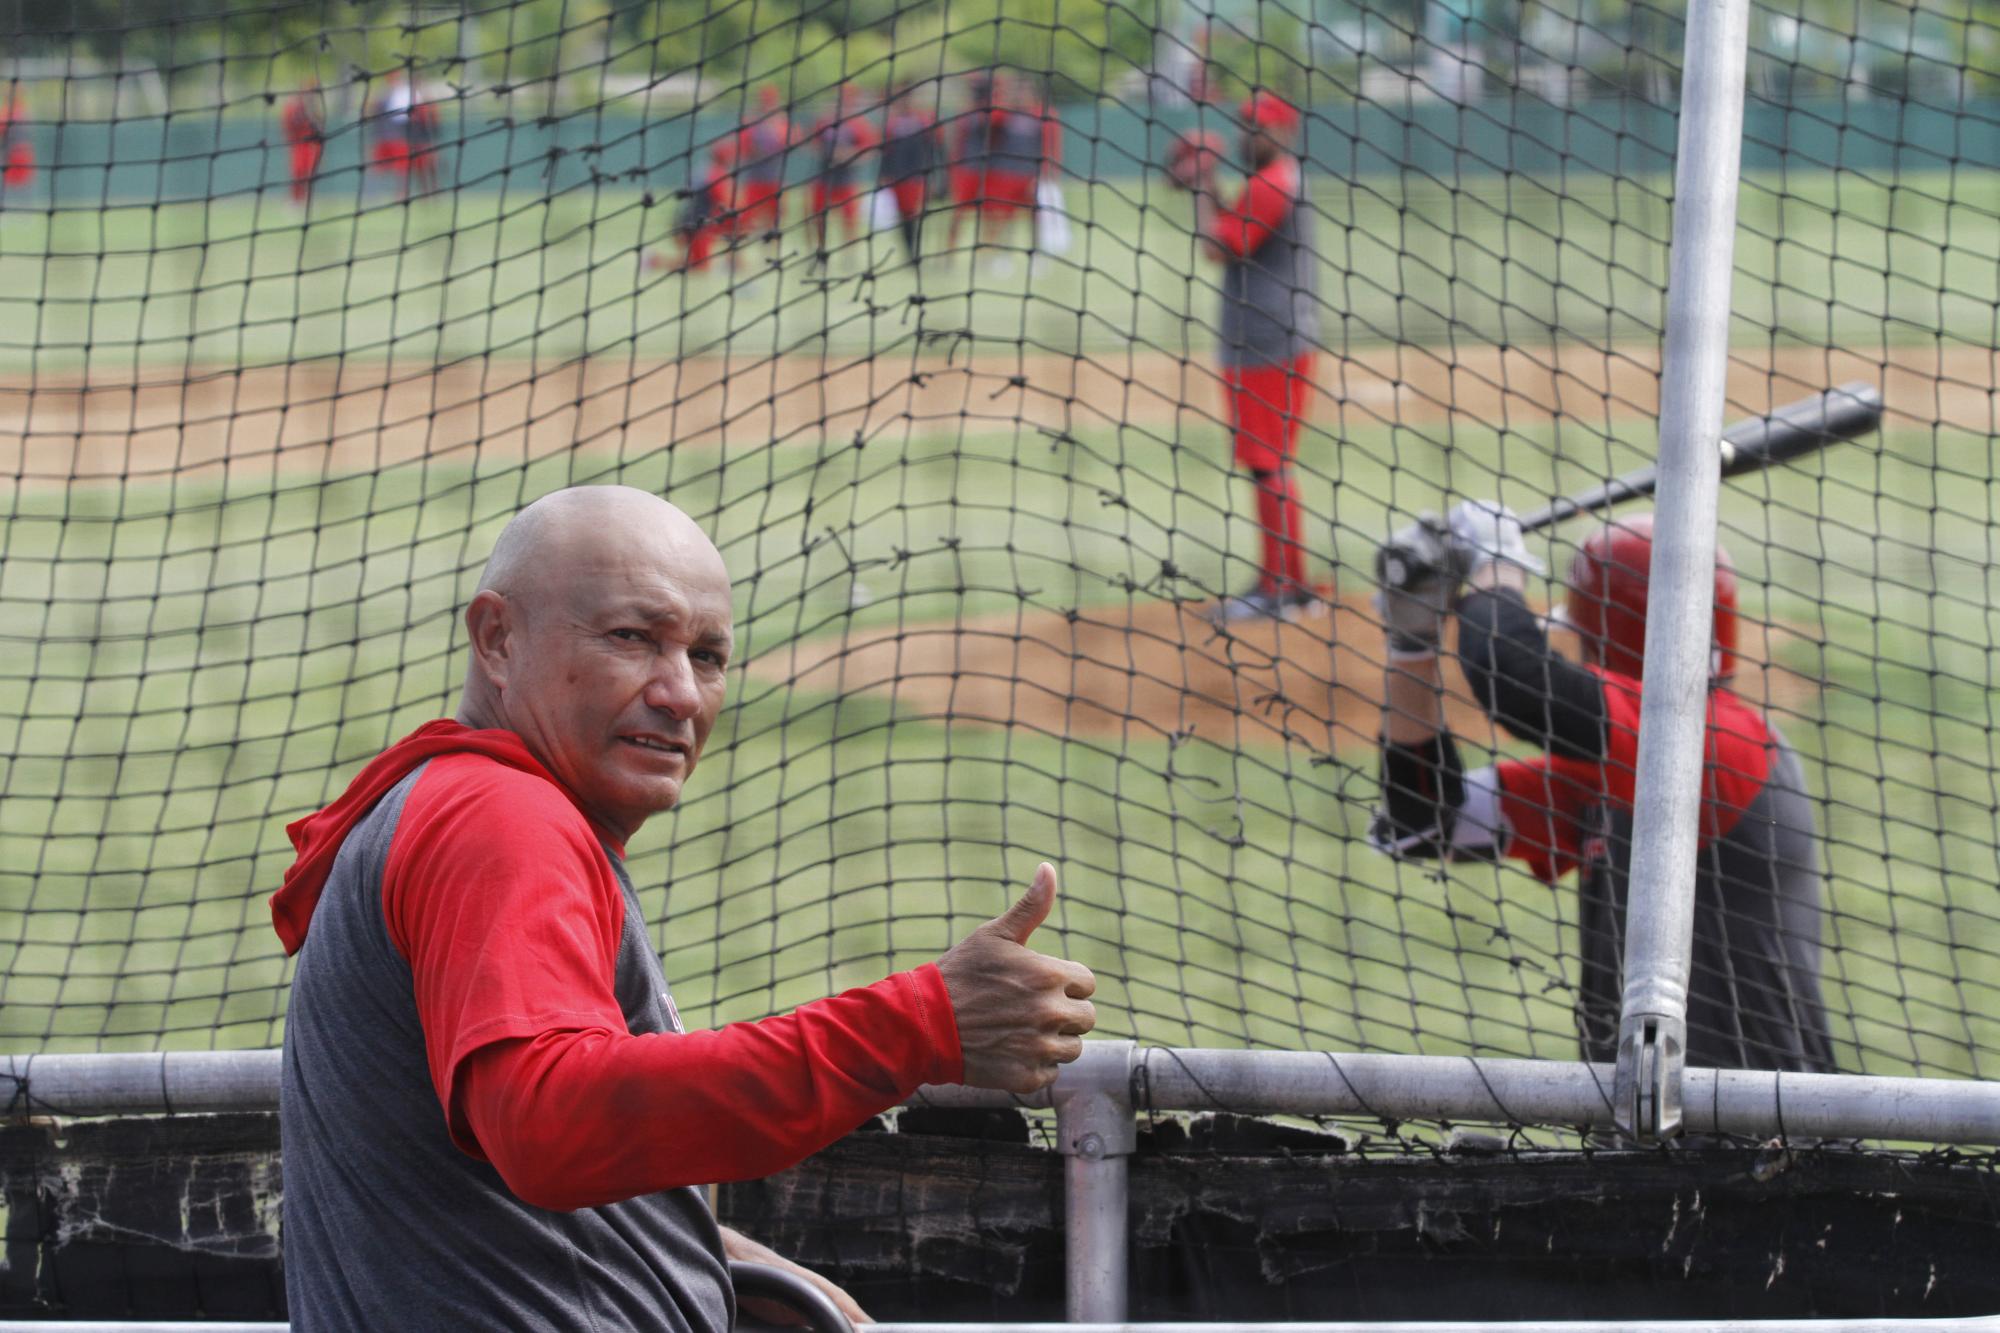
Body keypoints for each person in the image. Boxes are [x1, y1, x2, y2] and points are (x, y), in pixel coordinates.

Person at [275, 485, 1097, 1331]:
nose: (680, 694)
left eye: (707, 656)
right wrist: (919, 1021)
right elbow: (545, 1122)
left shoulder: (461, 802)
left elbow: (458, 1165)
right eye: (633, 638)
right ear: (497, 638)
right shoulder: (499, 818)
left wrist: (696, 1246)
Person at [1367, 501, 1836, 1075]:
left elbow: (1517, 684)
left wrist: (1496, 565)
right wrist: (1411, 649)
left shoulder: (1716, 746)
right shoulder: (1620, 775)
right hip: (1643, 1138)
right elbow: (1422, 822)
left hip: (1765, 1135)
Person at [1185, 92, 1319, 623]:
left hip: (1267, 343)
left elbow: (1217, 247)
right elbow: (1230, 227)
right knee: (1269, 463)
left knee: (1267, 463)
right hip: (1272, 338)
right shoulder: (1272, 181)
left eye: (1257, 127)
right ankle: (1287, 583)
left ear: (1283, 133)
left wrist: (1199, 184)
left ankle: (1280, 589)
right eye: (1244, 125)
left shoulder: (1271, 184)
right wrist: (1208, 187)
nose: (1247, 135)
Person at [807, 85, 878, 270]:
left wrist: (848, 155)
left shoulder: (859, 124)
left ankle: (849, 257)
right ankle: (820, 254)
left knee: (850, 220)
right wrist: (828, 153)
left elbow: (869, 151)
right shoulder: (824, 122)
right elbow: (812, 144)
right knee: (818, 218)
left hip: (848, 179)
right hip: (825, 178)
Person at [648, 138, 736, 274]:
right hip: (696, 224)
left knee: (696, 263)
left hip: (688, 221)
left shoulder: (704, 170)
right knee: (700, 266)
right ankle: (654, 261)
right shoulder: (714, 173)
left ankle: (655, 261)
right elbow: (724, 202)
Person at [877, 85, 941, 267]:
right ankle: (908, 253)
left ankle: (916, 253)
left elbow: (933, 150)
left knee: (916, 214)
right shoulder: (892, 125)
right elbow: (886, 153)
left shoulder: (924, 122)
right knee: (903, 216)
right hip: (898, 177)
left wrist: (933, 175)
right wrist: (884, 175)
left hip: (918, 176)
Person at [733, 85, 791, 256]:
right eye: (765, 102)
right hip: (755, 179)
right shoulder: (750, 124)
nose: (767, 106)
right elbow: (744, 149)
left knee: (776, 218)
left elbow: (788, 143)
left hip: (775, 178)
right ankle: (737, 255)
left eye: (770, 102)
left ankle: (771, 252)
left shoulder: (781, 124)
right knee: (745, 218)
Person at [281, 81, 326, 207]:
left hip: (311, 144)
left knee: (310, 173)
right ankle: (295, 199)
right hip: (298, 144)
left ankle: (307, 199)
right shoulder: (293, 107)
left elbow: (320, 126)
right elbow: (287, 125)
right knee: (298, 172)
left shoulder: (315, 108)